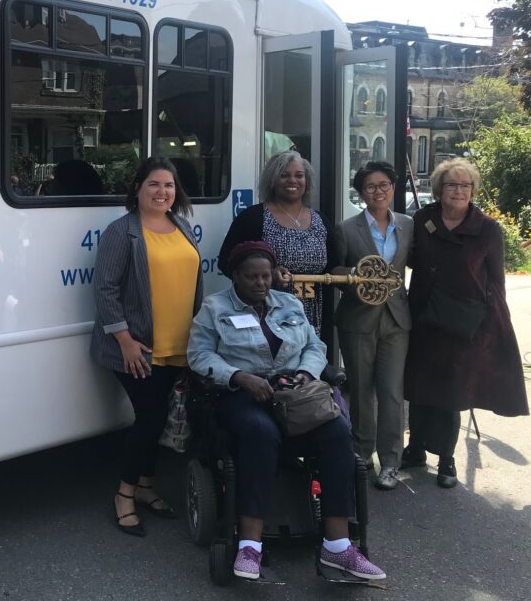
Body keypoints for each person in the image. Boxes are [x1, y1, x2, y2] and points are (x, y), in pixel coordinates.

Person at [188, 241, 386, 581]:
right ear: (235, 276)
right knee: (261, 431)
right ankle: (250, 545)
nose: (261, 283)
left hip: (295, 393)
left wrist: (306, 373)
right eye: (251, 277)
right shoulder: (214, 307)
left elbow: (315, 345)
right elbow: (199, 355)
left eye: (266, 276)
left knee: (338, 431)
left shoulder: (289, 303)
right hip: (243, 394)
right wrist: (239, 377)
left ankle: (337, 546)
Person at [90, 156, 203, 537]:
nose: (162, 192)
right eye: (154, 184)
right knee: (150, 418)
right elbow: (105, 289)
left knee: (160, 418)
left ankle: (145, 484)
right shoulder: (122, 232)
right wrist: (124, 340)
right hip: (138, 349)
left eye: (168, 185)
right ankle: (124, 494)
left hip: (178, 346)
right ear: (137, 188)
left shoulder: (181, 226)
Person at [403, 158, 529, 488]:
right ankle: (415, 449)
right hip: (424, 315)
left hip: (462, 321)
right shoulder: (423, 219)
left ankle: (446, 459)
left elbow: (496, 281)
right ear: (439, 189)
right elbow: (412, 258)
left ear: (473, 190)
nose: (458, 191)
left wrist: (494, 323)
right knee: (418, 386)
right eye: (451, 185)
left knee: (451, 392)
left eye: (465, 185)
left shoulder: (487, 228)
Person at [330, 162, 413, 490]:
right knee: (361, 389)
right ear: (361, 193)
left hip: (396, 318)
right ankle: (362, 453)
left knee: (392, 391)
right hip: (358, 317)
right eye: (370, 186)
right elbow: (334, 269)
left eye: (384, 185)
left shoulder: (407, 224)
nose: (378, 191)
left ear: (393, 187)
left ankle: (391, 461)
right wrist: (357, 278)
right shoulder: (346, 229)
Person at [218, 150, 333, 336]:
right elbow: (226, 263)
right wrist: (267, 274)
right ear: (272, 180)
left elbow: (333, 266)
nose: (292, 181)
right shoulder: (252, 218)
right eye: (284, 175)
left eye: (299, 175)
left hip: (314, 318)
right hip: (265, 315)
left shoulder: (321, 221)